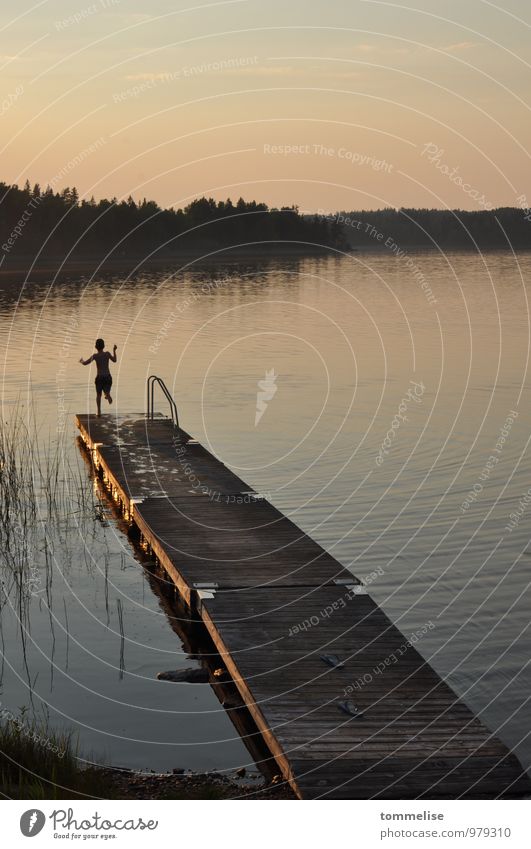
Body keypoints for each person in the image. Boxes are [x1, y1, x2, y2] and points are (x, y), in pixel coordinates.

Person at [79, 338, 117, 417]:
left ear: (96, 347)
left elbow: (85, 363)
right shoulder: (107, 354)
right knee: (106, 390)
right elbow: (114, 360)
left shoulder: (95, 356)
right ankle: (107, 394)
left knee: (98, 395)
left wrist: (81, 361)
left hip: (99, 377)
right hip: (107, 377)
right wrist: (114, 350)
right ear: (104, 346)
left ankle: (99, 411)